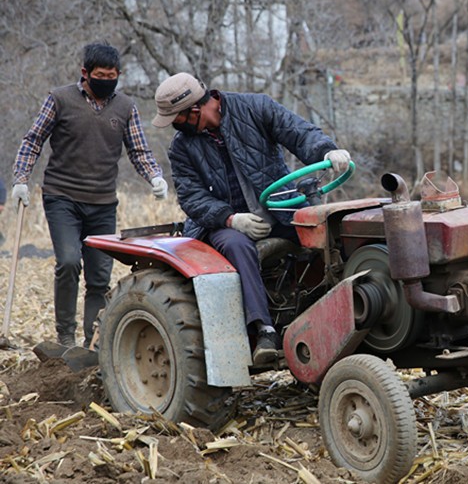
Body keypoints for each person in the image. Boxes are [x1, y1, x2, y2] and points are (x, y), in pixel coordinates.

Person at [152, 72, 350, 364]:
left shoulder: (255, 107)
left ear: (194, 110)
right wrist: (231, 219)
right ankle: (264, 330)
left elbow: (297, 131)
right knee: (237, 246)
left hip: (278, 208)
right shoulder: (181, 147)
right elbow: (192, 197)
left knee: (325, 230)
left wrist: (327, 151)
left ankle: (337, 312)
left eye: (176, 119)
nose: (175, 126)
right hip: (223, 223)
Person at [12, 42, 168, 349]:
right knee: (69, 262)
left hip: (103, 202)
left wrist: (154, 176)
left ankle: (92, 342)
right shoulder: (60, 99)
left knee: (99, 277)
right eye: (100, 75)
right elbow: (33, 140)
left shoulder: (125, 107)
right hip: (62, 197)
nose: (106, 81)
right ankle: (65, 336)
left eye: (112, 76)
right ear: (85, 73)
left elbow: (138, 150)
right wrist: (21, 179)